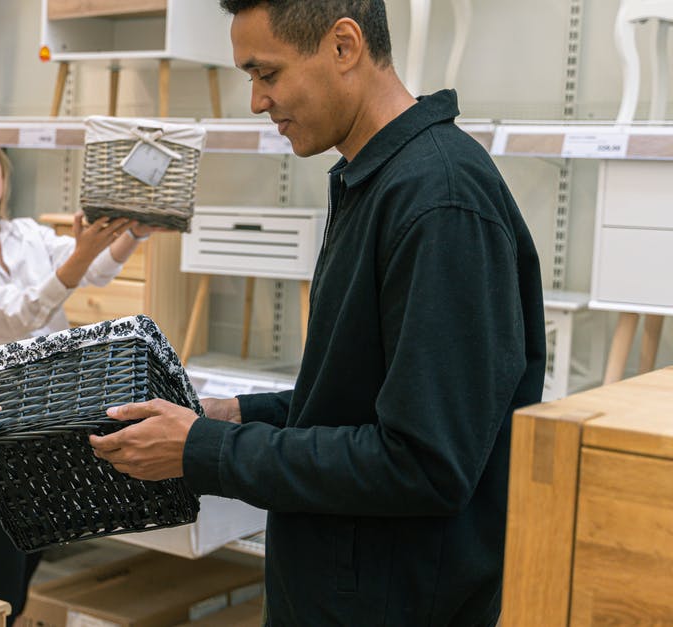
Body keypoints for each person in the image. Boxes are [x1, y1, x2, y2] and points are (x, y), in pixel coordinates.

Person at [89, 2, 547, 625]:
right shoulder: (373, 180)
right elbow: (358, 402)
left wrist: (206, 449)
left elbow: (424, 464)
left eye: (267, 74)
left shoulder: (439, 201)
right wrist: (235, 413)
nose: (256, 100)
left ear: (343, 46)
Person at [0, 128, 158, 624]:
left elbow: (94, 273)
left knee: (35, 550)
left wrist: (134, 233)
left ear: (2, 174)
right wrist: (79, 253)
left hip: (52, 415)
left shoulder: (27, 234)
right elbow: (20, 315)